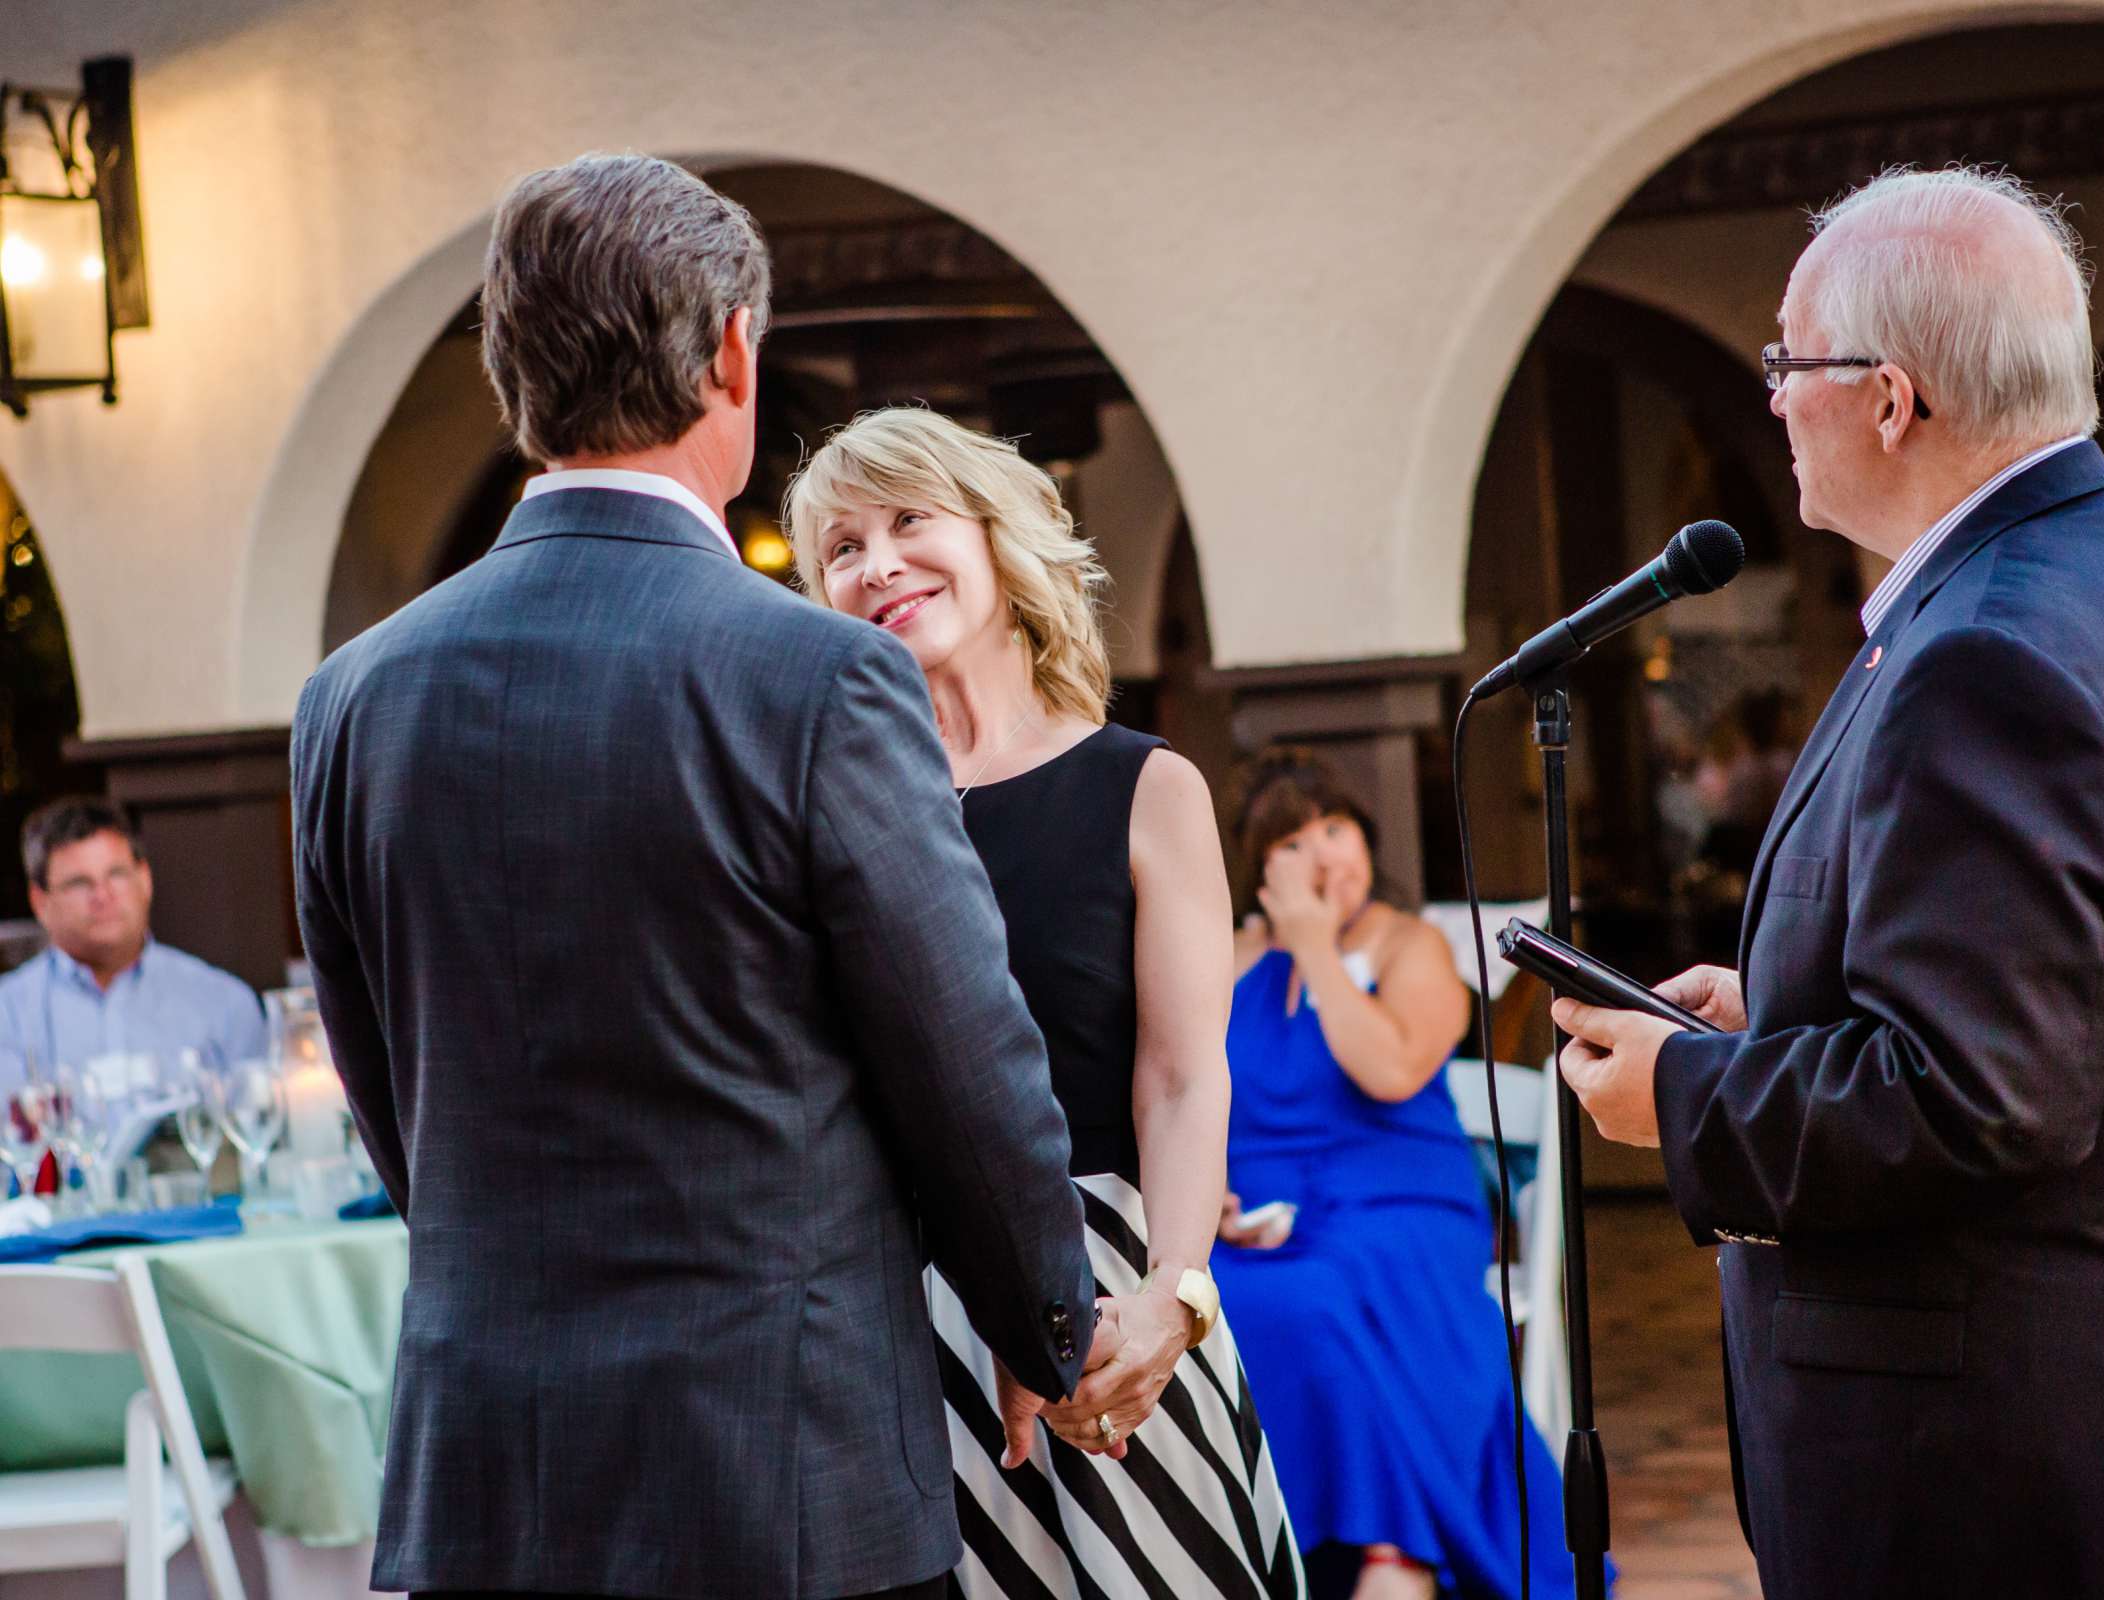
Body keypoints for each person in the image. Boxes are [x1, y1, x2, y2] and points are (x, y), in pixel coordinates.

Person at [290, 156, 1108, 1600]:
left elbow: (390, 1104)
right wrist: (1047, 1325)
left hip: (488, 1481)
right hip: (781, 1480)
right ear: (732, 351)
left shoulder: (354, 698)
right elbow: (960, 1057)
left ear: (510, 374)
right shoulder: (819, 677)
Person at [1552, 165, 2104, 1598]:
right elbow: (2090, 1007)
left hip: (2023, 1476)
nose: (1769, 400)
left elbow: (1979, 1097)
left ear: (1889, 397)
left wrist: (1679, 1096)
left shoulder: (1985, 654)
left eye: (1787, 362)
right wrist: (1783, 1007)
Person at [789, 405, 1301, 1600]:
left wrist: (1173, 1299)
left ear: (998, 535)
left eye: (908, 519)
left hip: (1114, 1299)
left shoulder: (1146, 787)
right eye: (842, 549)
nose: (877, 565)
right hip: (893, 1321)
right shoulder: (819, 808)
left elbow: (1181, 1075)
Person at [1212, 753, 1572, 1600]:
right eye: (1296, 841)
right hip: (1257, 1216)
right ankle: (1267, 1550)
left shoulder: (1412, 945)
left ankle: (1390, 1549)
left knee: (1329, 1294)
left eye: (1337, 828)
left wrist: (1316, 950)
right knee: (1221, 1302)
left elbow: (1390, 1072)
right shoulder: (1226, 957)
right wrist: (1207, 1200)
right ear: (1261, 867)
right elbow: (1184, 1092)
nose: (1326, 855)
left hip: (1399, 1204)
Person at [0, 796, 266, 1098]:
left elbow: (256, 1129)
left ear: (145, 879)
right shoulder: (8, 1016)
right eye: (79, 883)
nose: (102, 895)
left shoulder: (226, 1004)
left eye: (116, 874)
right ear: (40, 901)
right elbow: (13, 1138)